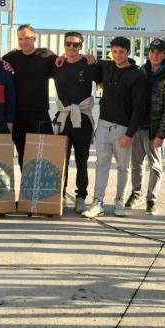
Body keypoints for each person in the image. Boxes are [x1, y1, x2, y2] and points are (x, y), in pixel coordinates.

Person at [81, 37, 146, 218]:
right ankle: (98, 203)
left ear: (128, 52)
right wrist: (85, 58)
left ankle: (119, 202)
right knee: (101, 165)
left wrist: (130, 134)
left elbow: (139, 107)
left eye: (121, 52)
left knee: (123, 167)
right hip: (103, 125)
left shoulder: (137, 75)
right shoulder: (106, 66)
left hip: (123, 129)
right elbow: (87, 63)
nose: (117, 55)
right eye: (114, 51)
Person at [125, 38, 165, 215]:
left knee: (155, 166)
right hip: (138, 126)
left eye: (159, 52)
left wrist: (161, 134)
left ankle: (151, 199)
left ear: (164, 55)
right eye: (152, 51)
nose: (155, 55)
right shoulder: (142, 71)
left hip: (155, 130)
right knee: (136, 164)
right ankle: (136, 194)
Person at [52, 31, 98, 212]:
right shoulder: (57, 64)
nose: (72, 47)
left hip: (82, 119)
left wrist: (91, 58)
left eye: (76, 44)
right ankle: (60, 196)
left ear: (81, 46)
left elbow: (112, 72)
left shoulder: (89, 64)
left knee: (82, 161)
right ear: (64, 44)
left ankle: (81, 197)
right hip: (63, 118)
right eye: (68, 44)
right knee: (59, 161)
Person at [2, 24, 57, 166]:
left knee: (45, 154)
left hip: (40, 114)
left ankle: (41, 181)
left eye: (27, 38)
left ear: (34, 38)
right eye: (20, 39)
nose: (23, 42)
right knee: (23, 154)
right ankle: (25, 181)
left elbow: (64, 62)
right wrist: (3, 64)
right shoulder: (12, 56)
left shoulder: (46, 55)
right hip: (19, 115)